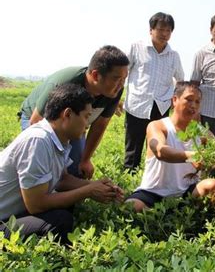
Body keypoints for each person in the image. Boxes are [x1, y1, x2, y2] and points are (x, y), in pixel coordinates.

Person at [1, 84, 124, 243]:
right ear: (67, 114)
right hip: (4, 219)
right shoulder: (38, 140)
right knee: (59, 220)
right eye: (86, 117)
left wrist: (96, 186)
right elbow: (36, 205)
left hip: (18, 212)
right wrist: (88, 191)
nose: (87, 125)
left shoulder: (57, 138)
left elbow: (62, 179)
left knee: (65, 207)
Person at [19, 45, 129, 179]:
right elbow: (36, 122)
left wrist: (85, 160)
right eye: (117, 78)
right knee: (46, 168)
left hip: (73, 124)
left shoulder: (114, 91)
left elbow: (100, 125)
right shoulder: (65, 83)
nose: (121, 84)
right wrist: (56, 160)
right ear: (95, 75)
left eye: (124, 79)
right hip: (37, 120)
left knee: (76, 170)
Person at [126, 82, 215, 212]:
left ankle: (172, 213)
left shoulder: (202, 132)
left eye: (198, 102)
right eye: (189, 99)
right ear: (174, 100)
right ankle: (169, 214)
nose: (193, 105)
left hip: (188, 191)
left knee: (213, 185)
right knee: (130, 206)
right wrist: (193, 156)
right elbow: (160, 151)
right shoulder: (158, 126)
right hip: (154, 192)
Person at [123, 12, 185, 170]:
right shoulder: (136, 48)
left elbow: (181, 81)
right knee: (133, 151)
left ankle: (153, 182)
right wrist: (116, 97)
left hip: (161, 106)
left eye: (168, 31)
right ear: (151, 29)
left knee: (158, 149)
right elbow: (123, 72)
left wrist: (175, 100)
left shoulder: (173, 55)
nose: (164, 34)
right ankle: (128, 182)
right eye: (161, 29)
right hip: (137, 105)